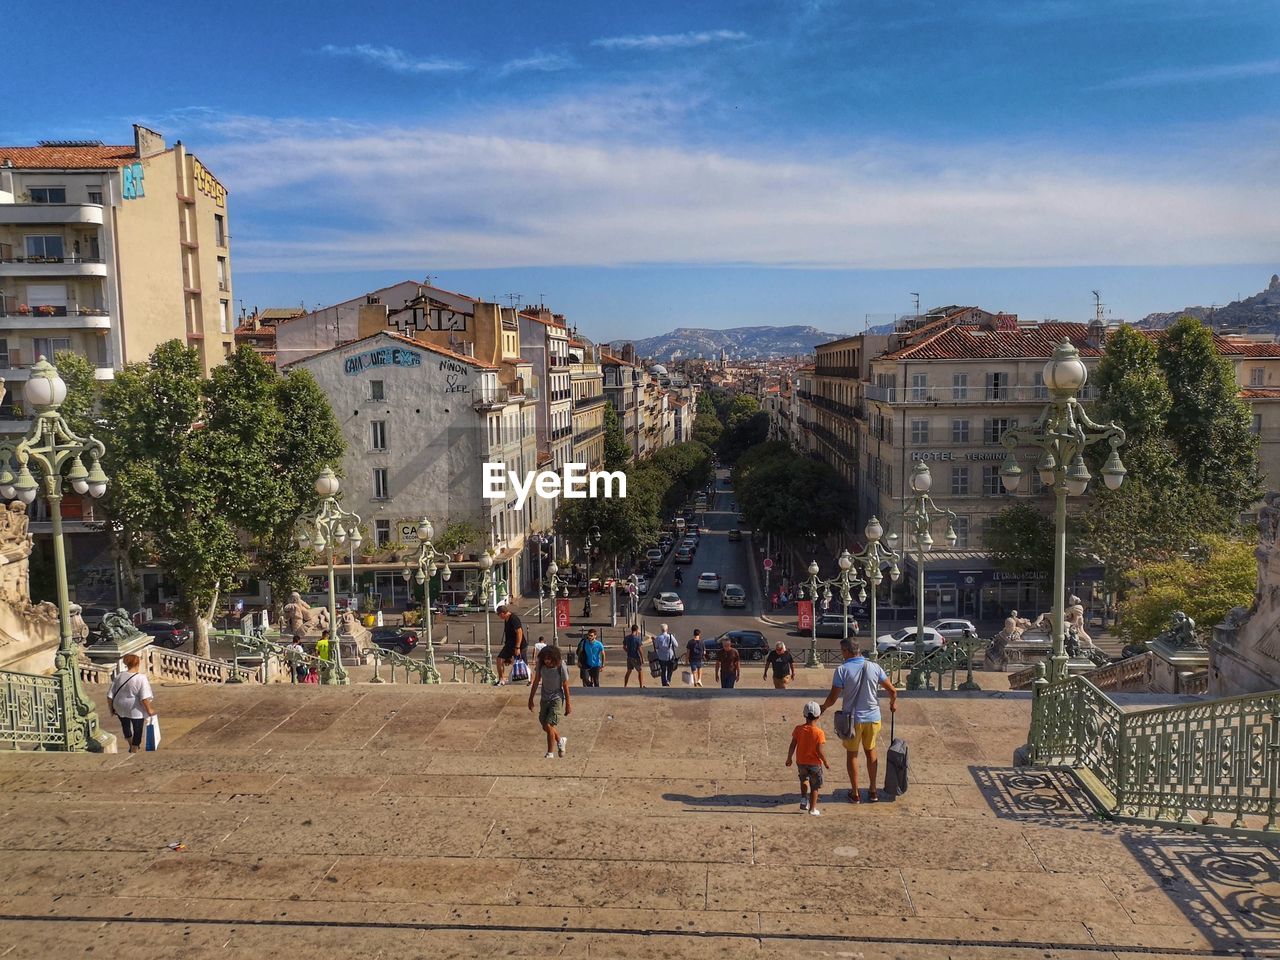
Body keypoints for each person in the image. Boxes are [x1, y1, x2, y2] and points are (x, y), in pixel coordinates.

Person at [819, 637, 898, 803]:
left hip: (853, 720)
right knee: (871, 752)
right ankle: (873, 790)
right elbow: (892, 690)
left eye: (842, 651)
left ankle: (855, 793)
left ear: (847, 651)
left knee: (852, 755)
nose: (842, 654)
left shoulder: (842, 670)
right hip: (873, 717)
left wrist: (823, 708)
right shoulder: (874, 667)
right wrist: (892, 704)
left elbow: (833, 697)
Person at [786, 700, 830, 815]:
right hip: (815, 763)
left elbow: (792, 745)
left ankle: (803, 799)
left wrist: (789, 758)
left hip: (801, 761)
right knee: (815, 786)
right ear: (818, 716)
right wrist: (825, 762)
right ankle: (812, 809)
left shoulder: (798, 729)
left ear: (804, 715)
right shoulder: (819, 733)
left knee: (804, 780)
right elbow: (819, 751)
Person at [107, 653, 156, 754]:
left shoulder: (120, 675)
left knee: (125, 725)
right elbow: (144, 698)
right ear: (138, 664)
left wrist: (111, 708)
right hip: (135, 708)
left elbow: (110, 695)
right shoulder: (141, 678)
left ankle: (130, 744)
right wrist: (149, 710)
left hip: (119, 706)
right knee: (137, 729)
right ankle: (134, 748)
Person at [528, 644, 571, 758]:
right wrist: (531, 698)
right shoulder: (541, 665)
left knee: (549, 724)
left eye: (549, 659)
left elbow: (565, 685)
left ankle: (550, 753)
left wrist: (568, 704)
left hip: (556, 697)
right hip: (544, 697)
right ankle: (560, 740)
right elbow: (536, 681)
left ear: (554, 658)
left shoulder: (561, 666)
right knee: (545, 726)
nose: (547, 661)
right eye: (545, 659)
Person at [495, 605, 526, 686]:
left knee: (523, 663)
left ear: (503, 613)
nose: (498, 616)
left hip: (519, 645)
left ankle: (530, 680)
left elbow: (519, 632)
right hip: (509, 645)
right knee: (499, 659)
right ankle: (501, 679)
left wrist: (517, 647)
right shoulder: (506, 619)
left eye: (499, 614)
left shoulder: (513, 619)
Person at [623, 624, 646, 688]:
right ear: (636, 630)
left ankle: (625, 685)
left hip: (629, 657)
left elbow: (624, 647)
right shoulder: (637, 639)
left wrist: (628, 651)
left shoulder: (627, 637)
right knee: (640, 671)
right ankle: (641, 686)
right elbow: (640, 649)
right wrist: (642, 658)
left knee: (629, 671)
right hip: (636, 657)